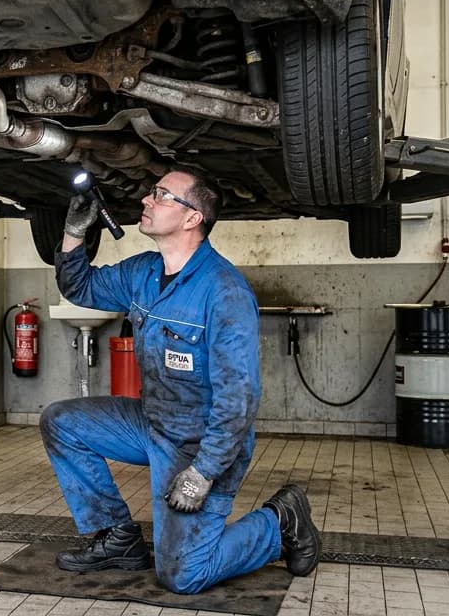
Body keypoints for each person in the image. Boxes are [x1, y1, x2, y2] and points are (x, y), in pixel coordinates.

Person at [41, 165, 320, 594]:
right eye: (151, 192)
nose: (146, 200)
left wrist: (203, 472)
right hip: (152, 423)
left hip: (199, 444)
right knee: (61, 422)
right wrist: (74, 232)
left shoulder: (224, 291)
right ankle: (118, 536)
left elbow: (239, 398)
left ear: (193, 218)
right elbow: (79, 288)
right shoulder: (142, 273)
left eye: (161, 195)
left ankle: (279, 521)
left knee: (184, 576)